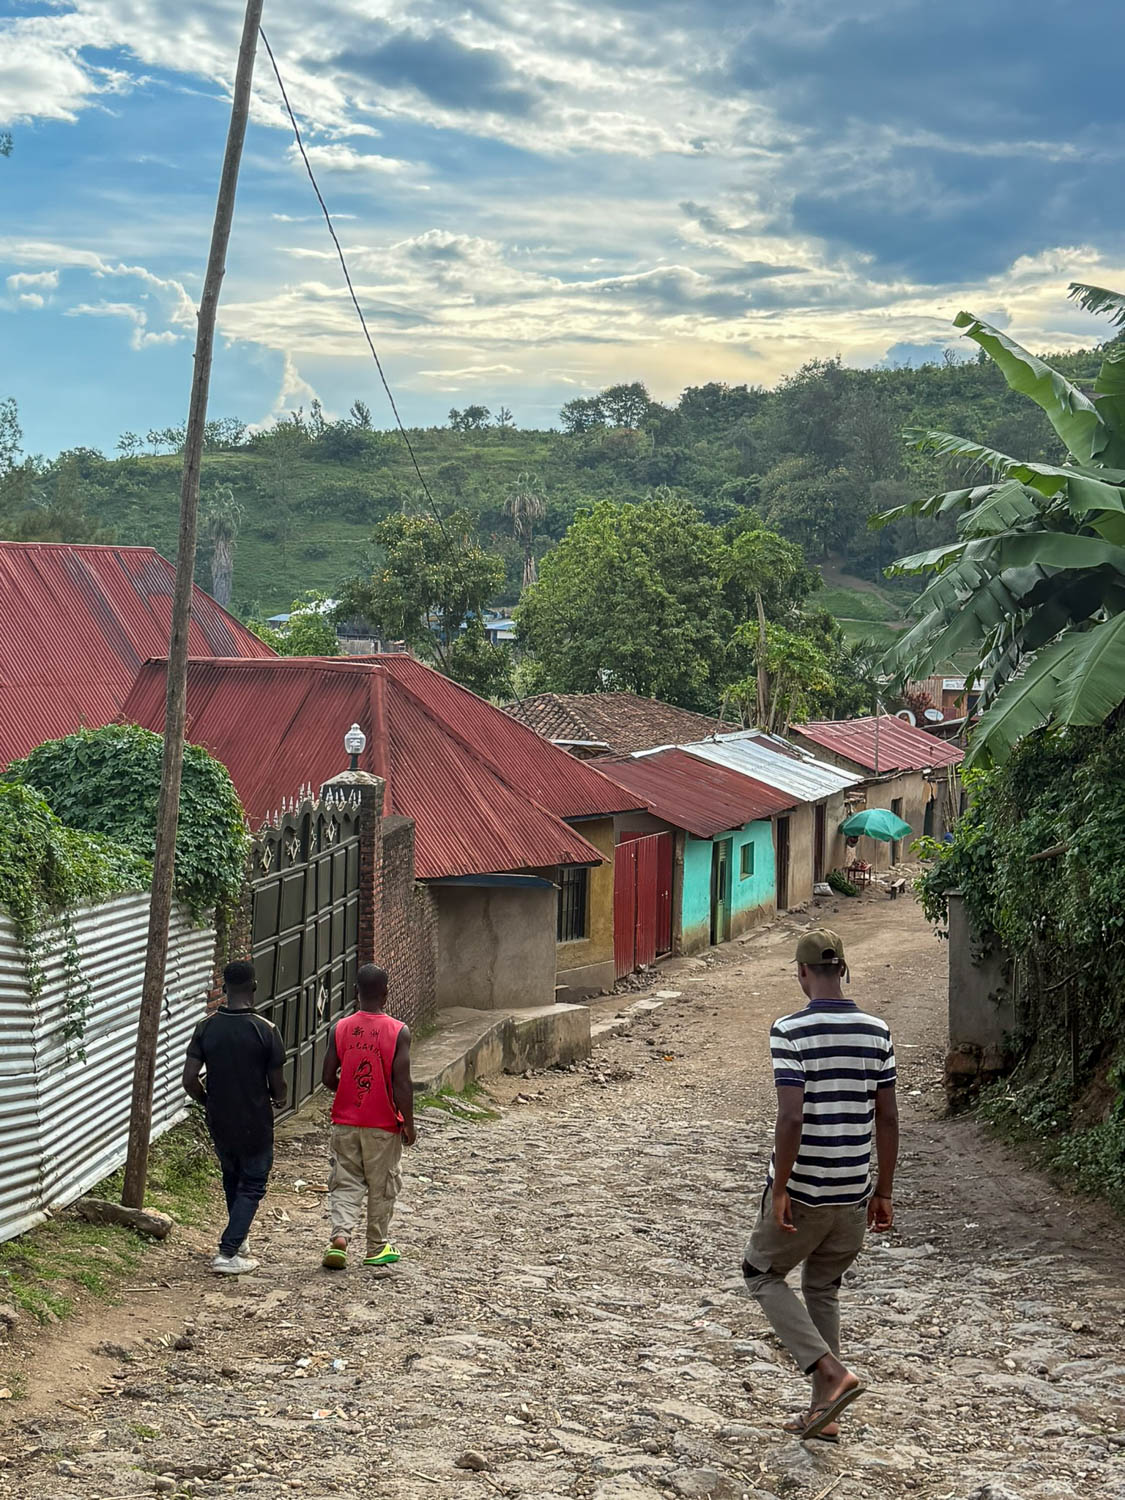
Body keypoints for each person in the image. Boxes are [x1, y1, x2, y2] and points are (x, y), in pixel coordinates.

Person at [742, 929, 898, 1442]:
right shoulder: (878, 1031)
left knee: (761, 1273)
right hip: (853, 1190)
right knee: (822, 1287)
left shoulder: (789, 1030)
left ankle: (829, 1373)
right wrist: (884, 1191)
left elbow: (791, 1118)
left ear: (802, 972)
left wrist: (781, 1187)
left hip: (805, 1189)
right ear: (844, 969)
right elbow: (889, 1118)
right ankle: (824, 1415)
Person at [183, 960, 287, 1275]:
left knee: (232, 1176)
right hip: (255, 1120)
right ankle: (228, 1252)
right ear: (254, 987)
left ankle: (239, 1241)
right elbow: (277, 1083)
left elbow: (189, 1080)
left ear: (225, 988)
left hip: (220, 1120)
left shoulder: (206, 1027)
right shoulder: (266, 1030)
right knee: (254, 1181)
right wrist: (280, 1099)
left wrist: (207, 1102)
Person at [321, 963, 416, 1271]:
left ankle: (340, 1239)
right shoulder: (398, 1031)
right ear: (386, 994)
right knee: (382, 1185)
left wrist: (346, 1090)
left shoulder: (341, 1028)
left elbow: (327, 1077)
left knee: (345, 1182)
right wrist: (409, 1123)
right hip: (383, 1124)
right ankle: (376, 1246)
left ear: (355, 993)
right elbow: (402, 1084)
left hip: (345, 1122)